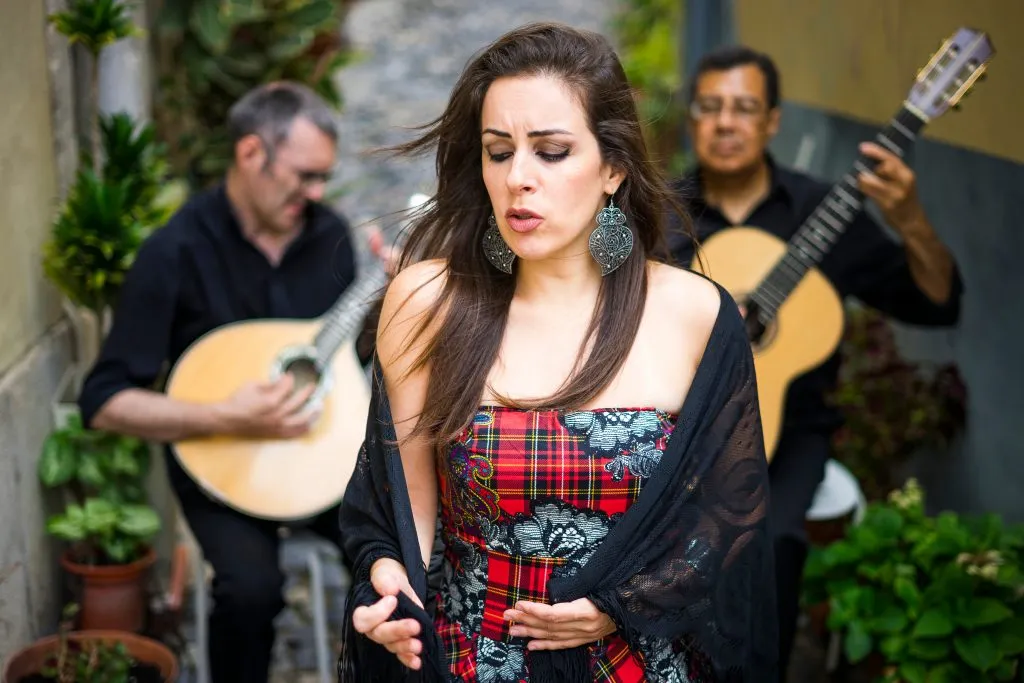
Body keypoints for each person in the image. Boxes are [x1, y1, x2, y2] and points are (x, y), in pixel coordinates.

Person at [337, 22, 778, 683]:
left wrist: (619, 604)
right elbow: (405, 514)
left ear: (613, 167)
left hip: (640, 664)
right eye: (497, 151)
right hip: (470, 662)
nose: (518, 178)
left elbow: (727, 521)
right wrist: (389, 588)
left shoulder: (693, 314)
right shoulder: (426, 302)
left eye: (551, 152)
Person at [667, 46, 963, 681]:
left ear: (773, 121)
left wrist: (909, 220)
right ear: (692, 118)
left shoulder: (825, 212)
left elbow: (938, 304)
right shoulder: (658, 213)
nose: (726, 122)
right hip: (674, 426)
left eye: (744, 108)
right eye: (710, 106)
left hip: (788, 432)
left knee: (770, 549)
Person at [77, 82, 387, 683]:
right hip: (222, 466)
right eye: (305, 175)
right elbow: (104, 400)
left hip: (317, 460)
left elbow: (343, 362)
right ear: (251, 154)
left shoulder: (327, 236)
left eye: (325, 177)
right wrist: (226, 416)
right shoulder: (173, 253)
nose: (318, 193)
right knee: (250, 592)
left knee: (393, 563)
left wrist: (391, 305)